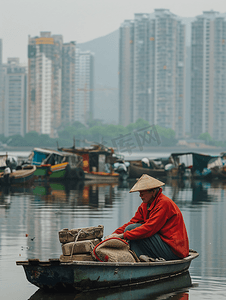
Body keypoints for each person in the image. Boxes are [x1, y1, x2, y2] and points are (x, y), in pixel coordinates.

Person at [107, 174, 189, 260]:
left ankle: (139, 257)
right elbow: (133, 222)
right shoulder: (145, 205)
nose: (140, 195)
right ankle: (139, 257)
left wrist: (122, 236)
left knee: (132, 229)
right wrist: (114, 234)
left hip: (174, 251)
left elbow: (149, 228)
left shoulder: (164, 203)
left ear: (153, 192)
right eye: (139, 193)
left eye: (142, 193)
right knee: (130, 228)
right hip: (161, 244)